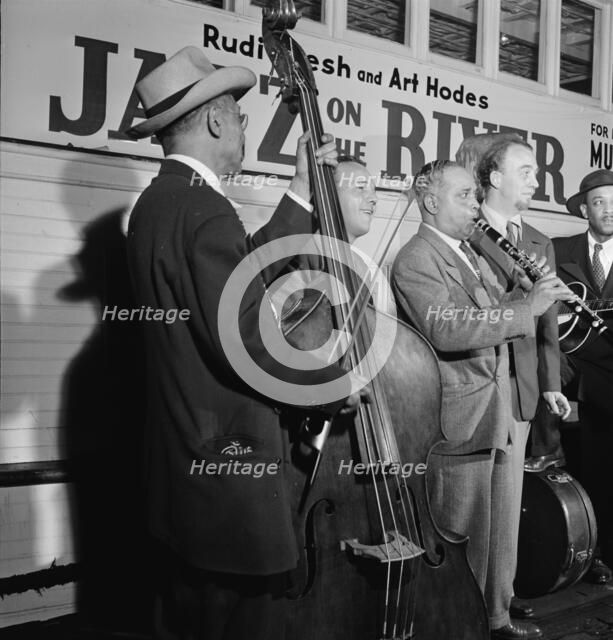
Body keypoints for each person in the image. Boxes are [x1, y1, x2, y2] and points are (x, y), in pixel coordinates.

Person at [125, 46, 365, 640]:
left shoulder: (161, 205)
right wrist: (333, 388)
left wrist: (301, 191)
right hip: (229, 485)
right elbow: (248, 345)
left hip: (185, 479)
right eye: (237, 115)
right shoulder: (205, 210)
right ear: (213, 121)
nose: (242, 126)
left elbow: (229, 289)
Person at [391, 160, 573, 639]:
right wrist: (526, 308)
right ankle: (459, 624)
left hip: (497, 409)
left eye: (475, 195)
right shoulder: (416, 258)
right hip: (460, 417)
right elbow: (446, 328)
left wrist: (523, 291)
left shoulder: (470, 251)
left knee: (497, 534)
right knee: (464, 536)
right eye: (465, 196)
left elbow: (491, 313)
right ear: (431, 203)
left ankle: (496, 616)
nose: (475, 205)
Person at [470, 137, 571, 476]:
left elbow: (549, 325)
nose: (536, 182)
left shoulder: (541, 241)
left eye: (536, 173)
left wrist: (550, 383)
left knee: (509, 503)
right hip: (478, 388)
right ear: (496, 178)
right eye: (526, 172)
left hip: (522, 389)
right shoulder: (464, 234)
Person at [553, 169, 613, 580]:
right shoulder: (558, 249)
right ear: (584, 210)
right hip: (576, 377)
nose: (609, 211)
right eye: (599, 203)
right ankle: (594, 555)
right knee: (591, 469)